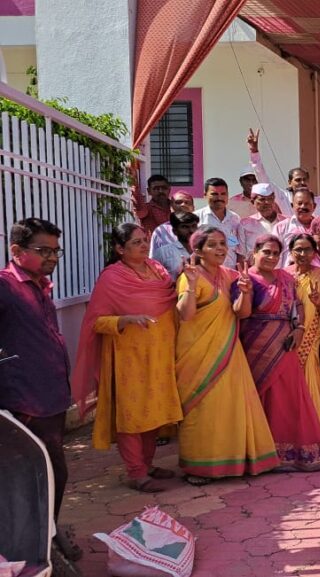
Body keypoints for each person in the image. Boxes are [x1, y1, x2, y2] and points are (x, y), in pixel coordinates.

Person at [72, 223, 183, 492]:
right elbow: (96, 322)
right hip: (129, 360)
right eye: (136, 242)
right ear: (120, 249)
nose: (144, 245)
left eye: (145, 240)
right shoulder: (112, 277)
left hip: (160, 356)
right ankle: (136, 472)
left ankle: (147, 464)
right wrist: (124, 320)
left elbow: (171, 298)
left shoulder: (157, 269)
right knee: (132, 416)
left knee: (154, 412)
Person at [174, 226, 279, 485]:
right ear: (198, 251)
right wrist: (191, 285)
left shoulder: (229, 275)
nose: (221, 249)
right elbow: (185, 314)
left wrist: (245, 292)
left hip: (228, 350)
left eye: (223, 243)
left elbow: (242, 313)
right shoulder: (190, 276)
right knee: (203, 408)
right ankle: (199, 466)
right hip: (197, 353)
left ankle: (236, 460)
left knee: (230, 406)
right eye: (213, 245)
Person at [0, 218, 72, 518]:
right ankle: (39, 539)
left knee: (53, 475)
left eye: (56, 251)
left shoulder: (39, 286)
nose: (52, 257)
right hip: (25, 403)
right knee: (37, 477)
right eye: (44, 250)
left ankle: (48, 533)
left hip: (51, 398)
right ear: (17, 251)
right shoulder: (6, 286)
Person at [238, 235, 320, 471]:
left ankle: (294, 453)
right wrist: (244, 291)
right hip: (256, 344)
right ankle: (262, 453)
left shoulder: (286, 278)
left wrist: (299, 328)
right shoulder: (246, 278)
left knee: (290, 396)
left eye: (275, 253)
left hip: (286, 343)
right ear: (254, 252)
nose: (271, 257)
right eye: (266, 252)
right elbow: (242, 314)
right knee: (261, 397)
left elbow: (297, 305)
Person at [286, 234, 320, 426]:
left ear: (314, 253)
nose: (303, 254)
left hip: (313, 340)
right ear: (291, 252)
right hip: (287, 341)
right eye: (298, 249)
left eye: (307, 250)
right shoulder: (283, 275)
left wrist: (319, 303)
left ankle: (315, 432)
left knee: (312, 384)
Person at [194, 177, 243, 268]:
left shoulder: (235, 218)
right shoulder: (197, 218)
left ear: (227, 195)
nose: (219, 198)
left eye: (223, 194)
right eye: (214, 194)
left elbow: (238, 249)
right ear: (205, 195)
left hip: (231, 271)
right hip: (207, 271)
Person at [238, 183, 287, 257]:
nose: (267, 203)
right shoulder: (245, 224)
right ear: (253, 202)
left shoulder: (287, 222)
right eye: (262, 199)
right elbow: (241, 255)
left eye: (270, 199)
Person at [273, 189, 317, 265]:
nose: (303, 206)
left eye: (307, 203)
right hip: (288, 271)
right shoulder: (281, 227)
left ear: (314, 206)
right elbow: (274, 253)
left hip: (316, 271)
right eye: (299, 203)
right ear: (292, 205)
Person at [152, 211, 199, 279]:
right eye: (185, 227)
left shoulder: (204, 250)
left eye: (194, 226)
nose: (191, 230)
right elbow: (154, 278)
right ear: (175, 231)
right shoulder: (163, 253)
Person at [150, 190, 195, 255]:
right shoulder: (160, 231)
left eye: (187, 202)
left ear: (193, 208)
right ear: (171, 207)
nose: (183, 205)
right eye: (178, 202)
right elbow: (154, 258)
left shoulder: (201, 229)